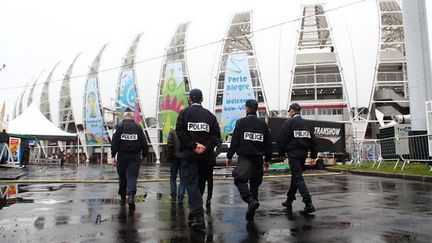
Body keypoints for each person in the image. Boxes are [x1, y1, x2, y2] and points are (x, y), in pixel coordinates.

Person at [176, 88, 220, 230]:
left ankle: (198, 215)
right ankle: (195, 212)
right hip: (205, 157)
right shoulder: (210, 116)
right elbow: (216, 136)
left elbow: (180, 132)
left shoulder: (183, 114)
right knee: (200, 184)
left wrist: (193, 145)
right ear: (202, 99)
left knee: (191, 184)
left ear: (190, 99)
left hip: (190, 155)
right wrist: (204, 146)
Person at [226, 99, 272, 221]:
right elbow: (268, 144)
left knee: (239, 180)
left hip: (245, 159)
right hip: (258, 159)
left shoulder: (241, 123)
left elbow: (235, 141)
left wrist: (229, 156)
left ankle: (250, 200)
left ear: (247, 108)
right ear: (256, 109)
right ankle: (251, 211)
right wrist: (267, 160)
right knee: (255, 185)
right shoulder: (263, 125)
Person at [277, 103, 317, 215]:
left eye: (289, 111)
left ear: (292, 111)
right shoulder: (307, 124)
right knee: (296, 176)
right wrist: (313, 156)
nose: (289, 113)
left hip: (293, 153)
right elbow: (313, 141)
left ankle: (308, 203)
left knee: (297, 177)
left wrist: (281, 152)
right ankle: (289, 200)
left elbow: (282, 138)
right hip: (303, 153)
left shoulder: (289, 122)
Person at [111, 111, 149, 210]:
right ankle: (131, 196)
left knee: (122, 176)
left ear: (123, 117)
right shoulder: (138, 127)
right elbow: (144, 143)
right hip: (135, 156)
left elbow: (114, 142)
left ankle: (123, 197)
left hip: (122, 156)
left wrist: (113, 155)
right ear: (132, 118)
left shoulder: (119, 127)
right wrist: (144, 155)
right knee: (132, 176)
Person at [199, 139, 222, 208]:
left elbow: (219, 142)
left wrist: (216, 152)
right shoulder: (213, 134)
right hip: (209, 158)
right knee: (209, 180)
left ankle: (202, 198)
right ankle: (208, 198)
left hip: (204, 158)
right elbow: (219, 142)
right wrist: (216, 152)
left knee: (202, 180)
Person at [166, 129, 185, 203]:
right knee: (183, 178)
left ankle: (173, 195)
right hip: (183, 157)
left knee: (173, 177)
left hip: (174, 157)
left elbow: (169, 145)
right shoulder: (185, 132)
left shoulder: (172, 132)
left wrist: (168, 156)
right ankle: (181, 196)